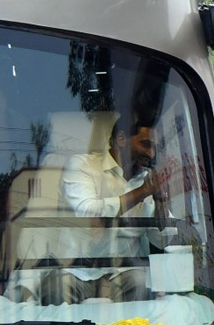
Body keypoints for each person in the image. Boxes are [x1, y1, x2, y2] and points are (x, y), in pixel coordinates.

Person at [57, 114, 168, 302]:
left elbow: (162, 241)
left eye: (156, 148)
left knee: (141, 282)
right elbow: (89, 214)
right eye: (146, 145)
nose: (152, 155)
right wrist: (144, 191)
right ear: (121, 139)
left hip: (124, 275)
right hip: (77, 271)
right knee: (57, 288)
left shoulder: (148, 180)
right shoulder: (81, 166)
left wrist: (161, 200)